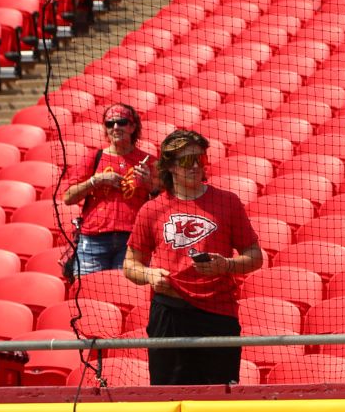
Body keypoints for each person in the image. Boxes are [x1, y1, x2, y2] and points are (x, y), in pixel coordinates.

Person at [124, 130, 263, 385]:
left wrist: (226, 265)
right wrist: (149, 274)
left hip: (218, 312)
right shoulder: (151, 209)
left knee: (219, 398)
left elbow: (255, 257)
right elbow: (130, 265)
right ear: (170, 167)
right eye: (187, 161)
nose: (196, 166)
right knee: (167, 394)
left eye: (200, 159)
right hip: (170, 311)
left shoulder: (227, 202)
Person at [62, 105, 157, 278]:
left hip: (132, 239)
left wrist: (149, 183)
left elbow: (165, 200)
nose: (115, 127)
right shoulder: (93, 157)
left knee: (126, 296)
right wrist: (95, 181)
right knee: (87, 292)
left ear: (132, 126)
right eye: (110, 123)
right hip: (93, 238)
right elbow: (68, 197)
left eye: (121, 122)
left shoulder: (149, 162)